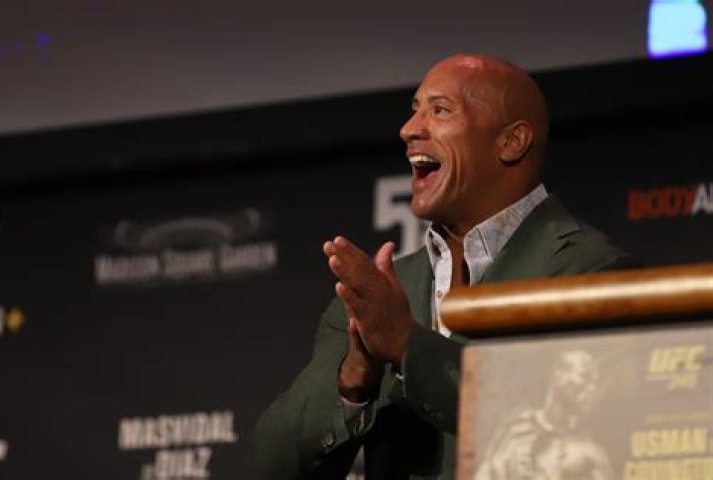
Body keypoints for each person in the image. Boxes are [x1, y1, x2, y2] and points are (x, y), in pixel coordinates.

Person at [254, 53, 636, 479]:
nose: (408, 129)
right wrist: (354, 378)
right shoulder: (381, 294)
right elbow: (274, 465)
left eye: (440, 110)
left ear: (511, 142)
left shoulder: (594, 272)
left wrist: (407, 346)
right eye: (415, 109)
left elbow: (567, 426)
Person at [475, 350, 613, 480]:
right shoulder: (514, 429)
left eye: (595, 383)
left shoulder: (591, 454)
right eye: (584, 376)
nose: (592, 388)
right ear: (559, 376)